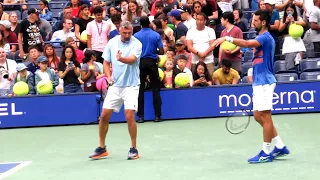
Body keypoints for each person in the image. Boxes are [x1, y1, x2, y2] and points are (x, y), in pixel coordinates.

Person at [213, 9, 290, 163]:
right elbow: (248, 46)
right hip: (258, 81)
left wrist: (227, 38)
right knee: (257, 115)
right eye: (252, 19)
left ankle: (266, 151)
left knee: (265, 116)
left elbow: (247, 43)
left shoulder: (266, 37)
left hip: (265, 82)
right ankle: (280, 145)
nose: (252, 22)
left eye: (255, 20)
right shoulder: (261, 37)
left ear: (263, 22)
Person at [89, 21, 142, 160]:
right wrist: (108, 76)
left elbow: (132, 60)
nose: (127, 35)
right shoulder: (112, 43)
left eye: (129, 33)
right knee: (104, 115)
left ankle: (133, 148)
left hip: (131, 85)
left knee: (129, 115)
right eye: (124, 33)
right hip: (116, 85)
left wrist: (121, 59)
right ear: (119, 30)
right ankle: (101, 148)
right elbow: (106, 62)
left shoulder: (137, 43)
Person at [134, 16, 164, 123]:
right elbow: (161, 51)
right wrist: (153, 51)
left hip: (140, 63)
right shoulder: (155, 35)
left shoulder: (136, 36)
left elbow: (134, 51)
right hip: (152, 63)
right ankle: (157, 116)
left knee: (140, 89)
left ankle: (141, 116)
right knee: (156, 89)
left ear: (141, 24)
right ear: (149, 23)